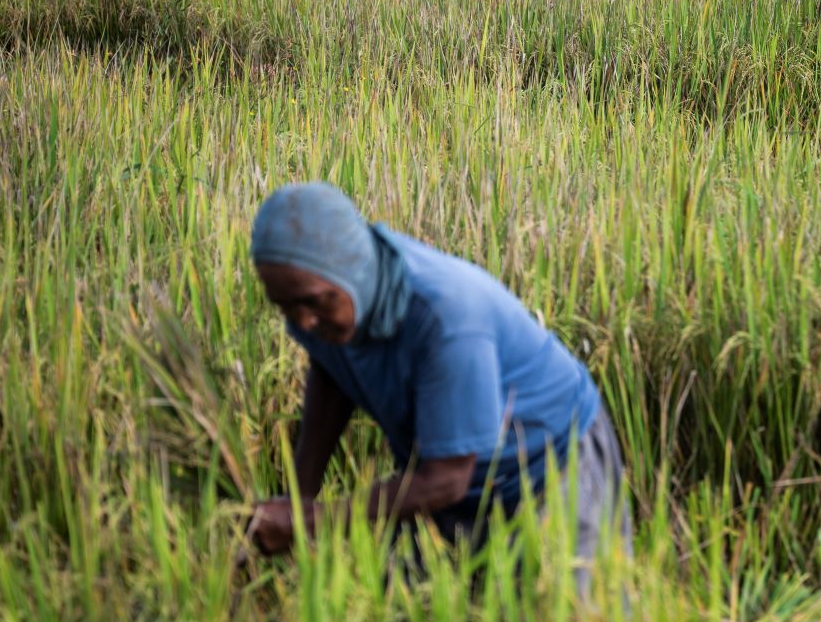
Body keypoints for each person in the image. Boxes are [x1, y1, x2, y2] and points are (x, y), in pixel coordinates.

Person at [244, 181, 630, 595]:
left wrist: (312, 520)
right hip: (451, 481)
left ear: (351, 270)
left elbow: (446, 479)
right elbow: (332, 370)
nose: (302, 323)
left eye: (314, 302)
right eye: (284, 306)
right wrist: (298, 497)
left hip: (552, 465)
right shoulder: (323, 304)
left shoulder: (447, 321)